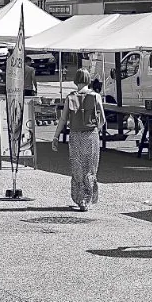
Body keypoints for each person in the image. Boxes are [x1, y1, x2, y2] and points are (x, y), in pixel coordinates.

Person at [56, 70, 105, 210]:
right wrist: (96, 130)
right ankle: (87, 199)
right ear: (89, 80)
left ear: (75, 80)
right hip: (91, 135)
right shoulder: (96, 96)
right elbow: (102, 120)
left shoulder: (70, 97)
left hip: (75, 135)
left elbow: (63, 119)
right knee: (90, 168)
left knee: (77, 167)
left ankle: (79, 198)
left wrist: (55, 136)